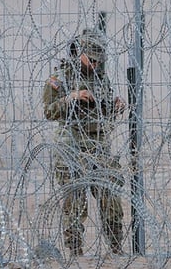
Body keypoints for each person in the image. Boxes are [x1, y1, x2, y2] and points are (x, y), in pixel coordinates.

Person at [42, 28, 127, 257]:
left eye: (99, 60)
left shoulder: (101, 77)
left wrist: (115, 106)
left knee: (110, 196)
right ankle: (75, 250)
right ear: (80, 52)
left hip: (98, 144)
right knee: (75, 201)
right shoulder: (60, 78)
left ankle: (116, 247)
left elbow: (103, 111)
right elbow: (49, 112)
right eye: (92, 59)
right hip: (71, 145)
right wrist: (72, 97)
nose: (95, 64)